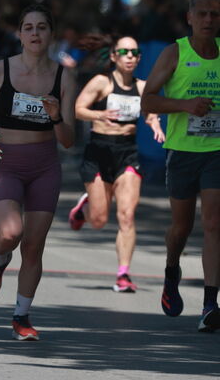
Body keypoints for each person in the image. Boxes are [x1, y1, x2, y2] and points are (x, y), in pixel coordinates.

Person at [0, 4, 76, 341]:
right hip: (7, 161)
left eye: (42, 27)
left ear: (51, 33)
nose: (35, 34)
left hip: (45, 166)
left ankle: (21, 316)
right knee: (11, 233)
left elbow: (68, 140)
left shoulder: (64, 76)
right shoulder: (0, 70)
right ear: (20, 34)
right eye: (28, 28)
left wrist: (55, 116)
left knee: (34, 245)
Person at [141, 0, 220, 332]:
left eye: (215, 15)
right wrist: (185, 105)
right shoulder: (176, 52)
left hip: (216, 151)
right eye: (201, 14)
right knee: (181, 228)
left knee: (215, 224)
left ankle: (209, 305)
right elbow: (148, 101)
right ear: (189, 17)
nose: (208, 20)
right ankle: (172, 269)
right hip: (184, 153)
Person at [69, 36, 165, 292]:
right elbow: (77, 109)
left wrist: (154, 124)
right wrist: (99, 114)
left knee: (126, 215)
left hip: (127, 155)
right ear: (113, 56)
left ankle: (124, 274)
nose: (130, 56)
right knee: (99, 220)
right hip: (99, 152)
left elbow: (150, 112)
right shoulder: (102, 82)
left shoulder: (143, 87)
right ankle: (84, 208)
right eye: (124, 52)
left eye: (135, 52)